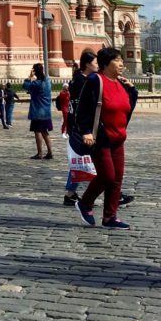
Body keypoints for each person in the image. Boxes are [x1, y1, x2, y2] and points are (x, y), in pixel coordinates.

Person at [75, 47, 138, 230]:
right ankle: (85, 203)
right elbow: (84, 108)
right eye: (117, 60)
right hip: (101, 137)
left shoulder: (120, 83)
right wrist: (86, 130)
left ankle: (110, 217)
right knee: (107, 176)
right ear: (106, 63)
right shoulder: (96, 80)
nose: (121, 64)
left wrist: (132, 92)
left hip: (118, 137)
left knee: (117, 178)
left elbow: (126, 108)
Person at [63, 50, 97, 205]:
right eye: (96, 62)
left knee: (81, 160)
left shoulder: (78, 80)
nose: (98, 65)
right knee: (94, 159)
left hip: (78, 126)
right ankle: (115, 193)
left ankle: (70, 193)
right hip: (81, 127)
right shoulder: (82, 81)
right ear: (88, 64)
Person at [23, 63, 53, 160]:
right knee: (45, 132)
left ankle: (39, 153)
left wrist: (29, 77)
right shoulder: (47, 81)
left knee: (37, 132)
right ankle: (50, 152)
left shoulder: (37, 83)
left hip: (38, 111)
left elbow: (25, 85)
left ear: (35, 71)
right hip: (47, 111)